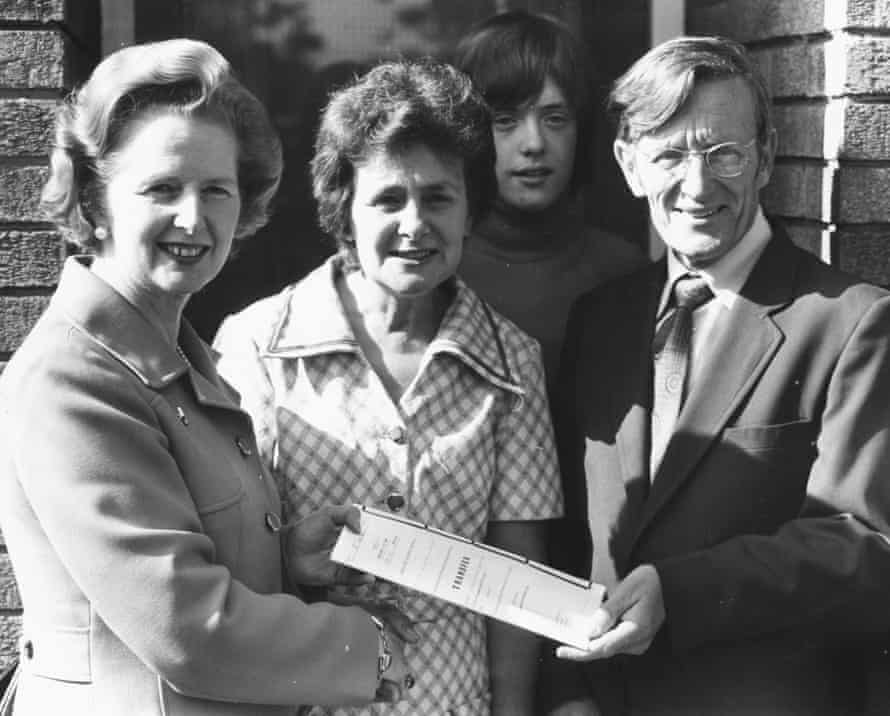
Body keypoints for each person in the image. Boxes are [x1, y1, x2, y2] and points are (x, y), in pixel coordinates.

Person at [0, 38, 414, 716]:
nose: (193, 218)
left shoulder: (173, 358)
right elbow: (185, 628)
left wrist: (286, 560)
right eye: (162, 188)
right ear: (96, 201)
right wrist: (369, 645)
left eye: (216, 190)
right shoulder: (73, 378)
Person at [548, 36, 890, 715]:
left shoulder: (855, 322)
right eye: (670, 154)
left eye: (723, 153)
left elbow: (865, 541)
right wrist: (563, 693)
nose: (698, 186)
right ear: (628, 165)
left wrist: (679, 594)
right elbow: (567, 533)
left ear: (765, 158)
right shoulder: (602, 319)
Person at [213, 58, 563, 716]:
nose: (413, 223)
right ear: (343, 206)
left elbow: (518, 587)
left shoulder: (512, 361)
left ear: (470, 210)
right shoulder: (258, 346)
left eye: (437, 197)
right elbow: (228, 560)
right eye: (387, 199)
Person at [453, 10, 645, 401]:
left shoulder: (622, 271)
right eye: (505, 121)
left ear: (581, 130)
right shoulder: (441, 272)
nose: (534, 143)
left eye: (555, 118)